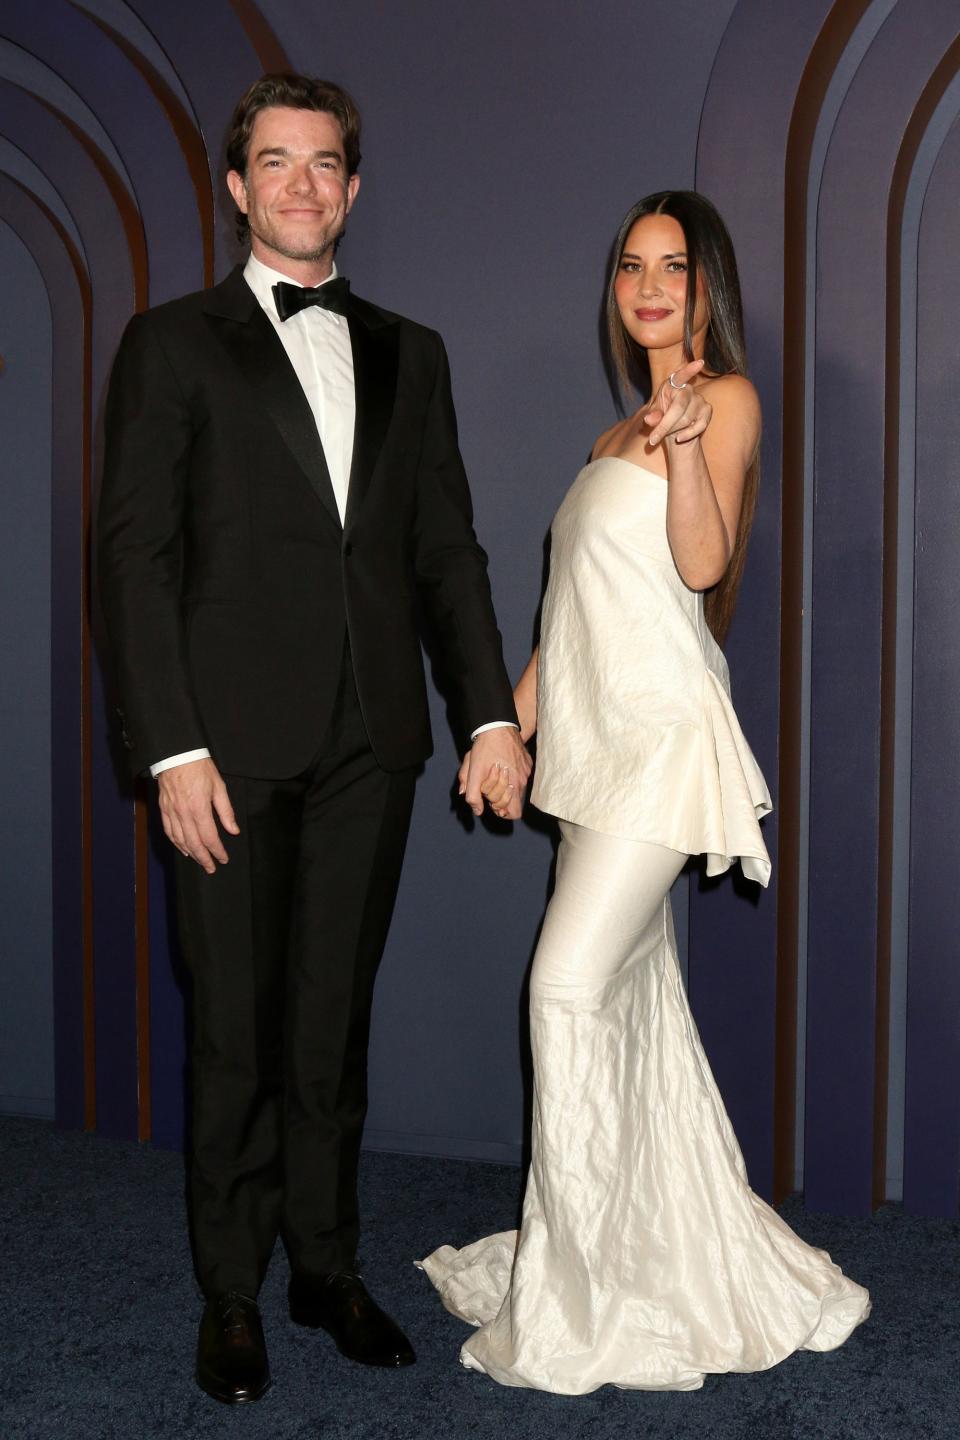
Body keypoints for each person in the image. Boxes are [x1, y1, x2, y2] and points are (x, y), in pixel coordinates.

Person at [99, 73, 530, 1405]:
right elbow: (134, 558)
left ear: (353, 184)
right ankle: (232, 1290)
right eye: (274, 162)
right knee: (234, 1030)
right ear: (238, 188)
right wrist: (169, 751)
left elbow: (446, 552)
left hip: (369, 747)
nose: (300, 184)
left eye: (324, 163)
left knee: (331, 1025)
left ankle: (325, 1264)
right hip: (220, 754)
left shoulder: (415, 351)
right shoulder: (171, 346)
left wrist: (492, 711)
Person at [419, 192, 870, 1392]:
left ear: (709, 285)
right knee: (625, 1008)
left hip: (665, 746)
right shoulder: (607, 435)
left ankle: (583, 1292)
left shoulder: (719, 404)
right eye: (632, 266)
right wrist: (503, 724)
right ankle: (644, 1250)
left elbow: (703, 562)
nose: (651, 285)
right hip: (595, 750)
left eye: (675, 266)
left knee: (563, 988)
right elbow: (571, 617)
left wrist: (681, 444)